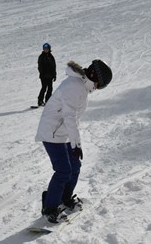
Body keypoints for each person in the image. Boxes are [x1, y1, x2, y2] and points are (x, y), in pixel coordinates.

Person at [35, 59, 112, 223]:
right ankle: (50, 208)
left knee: (74, 166)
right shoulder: (74, 86)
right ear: (93, 76)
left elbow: (74, 120)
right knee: (63, 171)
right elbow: (69, 117)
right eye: (99, 84)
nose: (97, 88)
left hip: (62, 134)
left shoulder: (81, 87)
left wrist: (76, 144)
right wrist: (75, 144)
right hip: (52, 133)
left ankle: (63, 198)